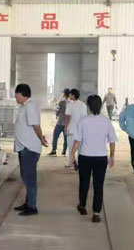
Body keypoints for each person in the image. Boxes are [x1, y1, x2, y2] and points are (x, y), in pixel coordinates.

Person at [69, 94, 117, 224]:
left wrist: (72, 155)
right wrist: (112, 156)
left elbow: (77, 140)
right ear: (100, 106)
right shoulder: (106, 121)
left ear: (89, 106)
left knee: (84, 182)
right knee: (98, 185)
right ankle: (96, 213)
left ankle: (82, 206)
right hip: (101, 158)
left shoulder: (83, 121)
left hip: (85, 157)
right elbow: (112, 141)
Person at [13, 84, 47, 216]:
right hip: (24, 147)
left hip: (29, 148)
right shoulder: (24, 106)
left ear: (22, 94)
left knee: (30, 178)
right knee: (25, 177)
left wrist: (41, 138)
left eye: (16, 94)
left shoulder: (31, 106)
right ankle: (28, 203)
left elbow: (36, 126)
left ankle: (32, 207)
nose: (15, 97)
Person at [64, 88, 87, 169]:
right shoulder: (83, 105)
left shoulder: (70, 105)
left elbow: (67, 117)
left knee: (71, 148)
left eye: (70, 95)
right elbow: (85, 118)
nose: (69, 96)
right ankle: (81, 164)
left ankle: (71, 164)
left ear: (73, 96)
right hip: (81, 130)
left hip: (72, 130)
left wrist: (65, 127)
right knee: (80, 149)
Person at [49, 88, 70, 156]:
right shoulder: (71, 103)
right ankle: (64, 151)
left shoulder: (61, 102)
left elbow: (57, 110)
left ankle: (54, 150)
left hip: (60, 122)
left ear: (64, 94)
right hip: (67, 123)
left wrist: (57, 115)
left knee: (55, 136)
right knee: (66, 138)